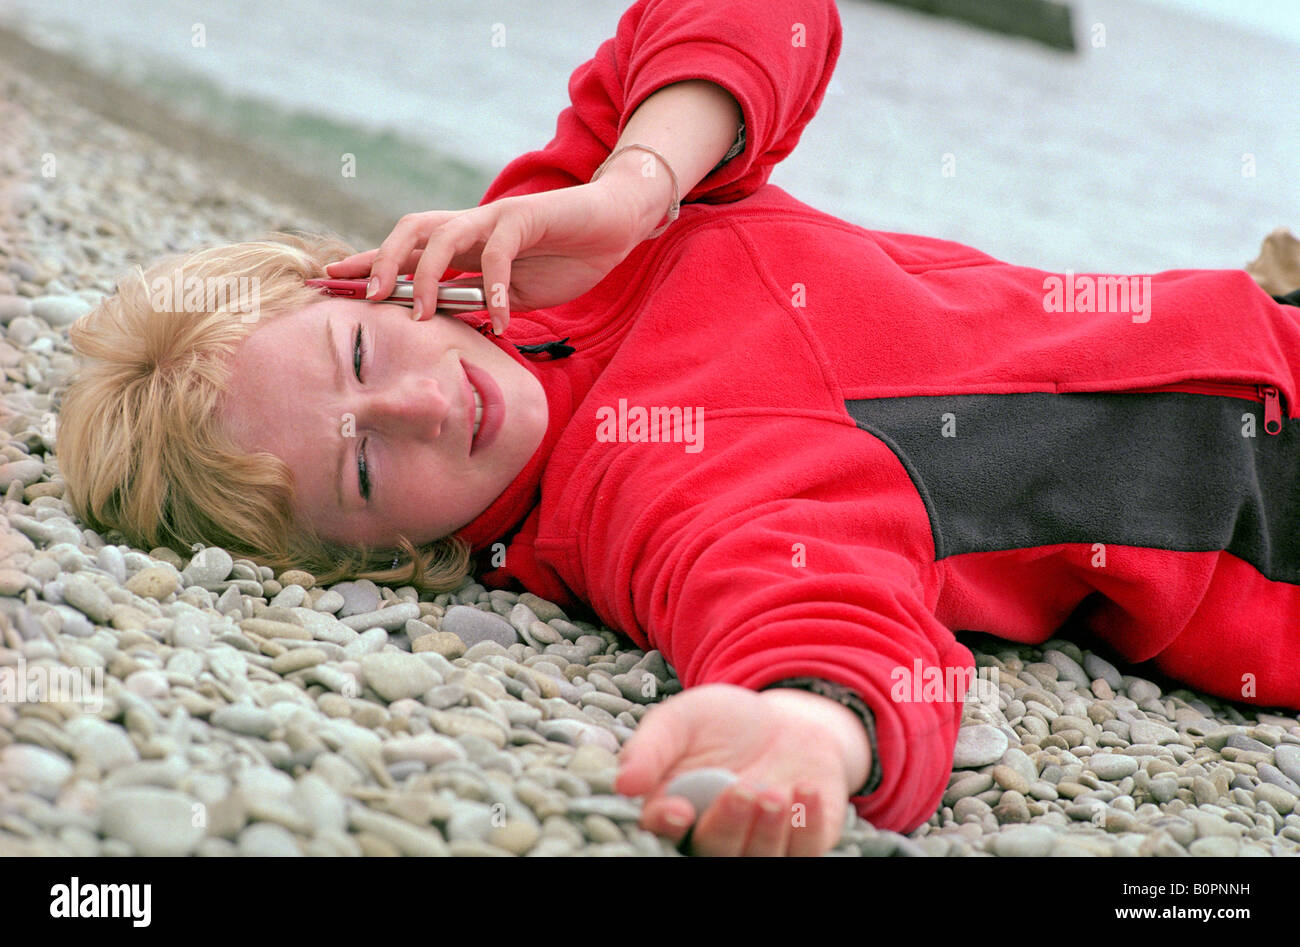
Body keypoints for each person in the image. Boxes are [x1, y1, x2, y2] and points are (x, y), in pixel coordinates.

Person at [57, 0, 1300, 857]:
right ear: (376, 557)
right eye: (370, 464)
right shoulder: (643, 509)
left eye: (365, 356)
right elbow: (816, 625)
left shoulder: (548, 239)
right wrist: (802, 736)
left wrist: (631, 186)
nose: (429, 401)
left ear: (361, 280)